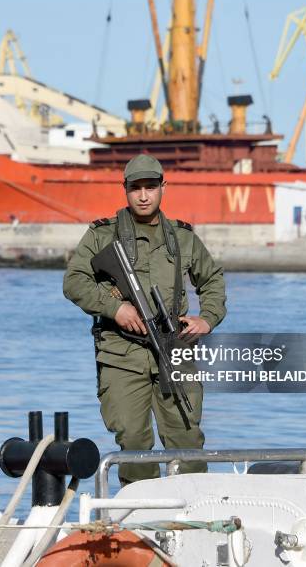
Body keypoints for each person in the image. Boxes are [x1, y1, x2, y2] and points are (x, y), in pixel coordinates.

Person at [63, 154, 226, 485]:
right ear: (124, 189)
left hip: (173, 349)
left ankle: (192, 515)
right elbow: (74, 282)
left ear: (163, 188)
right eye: (135, 188)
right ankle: (139, 519)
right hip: (122, 355)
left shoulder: (182, 238)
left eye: (150, 187)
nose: (143, 195)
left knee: (186, 439)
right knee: (135, 442)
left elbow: (212, 281)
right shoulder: (101, 235)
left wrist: (206, 319)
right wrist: (116, 309)